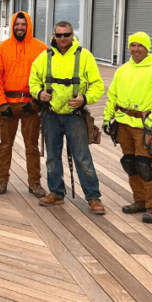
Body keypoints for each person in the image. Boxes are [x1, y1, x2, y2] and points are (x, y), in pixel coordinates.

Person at [29, 21, 106, 215]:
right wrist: (39, 94)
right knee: (53, 157)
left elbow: (97, 84)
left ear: (73, 35)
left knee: (82, 157)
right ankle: (56, 193)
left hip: (75, 116)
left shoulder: (84, 56)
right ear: (53, 36)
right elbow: (33, 80)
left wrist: (85, 98)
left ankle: (93, 197)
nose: (63, 39)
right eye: (59, 35)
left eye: (66, 35)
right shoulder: (44, 57)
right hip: (51, 114)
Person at [103, 32, 152, 223]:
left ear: (147, 48)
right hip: (123, 124)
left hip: (143, 127)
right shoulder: (123, 70)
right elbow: (113, 97)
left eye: (140, 45)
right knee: (130, 163)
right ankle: (140, 200)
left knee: (145, 166)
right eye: (132, 45)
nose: (136, 49)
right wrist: (107, 117)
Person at [0, 11, 48, 197]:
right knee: (5, 145)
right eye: (17, 24)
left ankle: (34, 182)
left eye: (23, 24)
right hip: (8, 103)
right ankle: (1, 180)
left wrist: (37, 101)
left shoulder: (41, 49)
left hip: (31, 105)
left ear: (29, 25)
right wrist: (1, 103)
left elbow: (47, 78)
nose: (20, 28)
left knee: (32, 146)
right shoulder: (1, 49)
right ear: (12, 25)